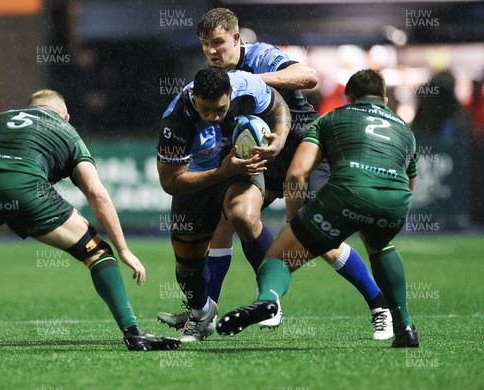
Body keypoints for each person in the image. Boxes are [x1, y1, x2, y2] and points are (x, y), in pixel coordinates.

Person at [158, 7, 393, 340]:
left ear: (237, 38)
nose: (211, 51)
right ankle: (208, 311)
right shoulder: (211, 86)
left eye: (218, 42)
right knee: (229, 219)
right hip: (262, 159)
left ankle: (380, 306)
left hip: (302, 150)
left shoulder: (260, 57)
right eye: (205, 45)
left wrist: (250, 81)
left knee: (317, 237)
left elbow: (308, 76)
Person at [0, 89, 180, 352]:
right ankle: (133, 333)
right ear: (65, 116)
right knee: (97, 251)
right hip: (25, 190)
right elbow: (96, 193)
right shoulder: (66, 131)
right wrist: (124, 250)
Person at [216, 69, 420, 348]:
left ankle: (268, 301)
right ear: (384, 99)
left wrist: (294, 221)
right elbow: (410, 183)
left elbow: (297, 174)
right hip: (395, 202)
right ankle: (405, 326)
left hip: (347, 193)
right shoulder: (404, 130)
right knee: (381, 245)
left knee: (280, 258)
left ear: (348, 98)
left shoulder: (332, 118)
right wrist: (388, 212)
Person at [156, 66, 290, 342]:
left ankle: (269, 300)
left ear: (230, 92)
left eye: (219, 109)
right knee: (187, 267)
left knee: (243, 215)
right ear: (193, 97)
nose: (213, 117)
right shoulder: (175, 121)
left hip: (240, 170)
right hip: (196, 177)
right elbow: (170, 183)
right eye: (206, 110)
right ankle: (201, 313)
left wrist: (280, 137)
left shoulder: (247, 86)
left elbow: (278, 104)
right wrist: (221, 173)